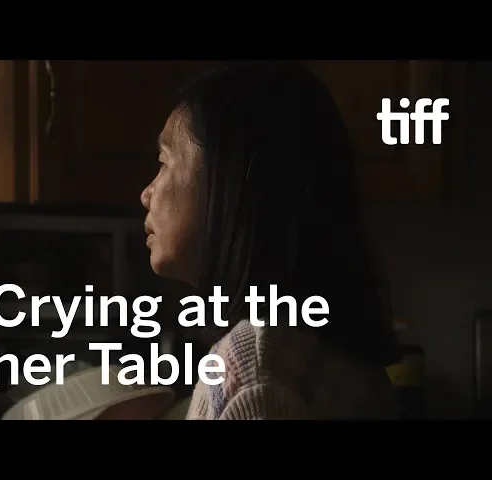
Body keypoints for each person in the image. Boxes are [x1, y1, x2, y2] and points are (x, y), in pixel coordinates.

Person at [140, 61, 398, 420]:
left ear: (228, 183)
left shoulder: (253, 371)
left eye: (164, 161)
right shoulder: (317, 353)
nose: (147, 194)